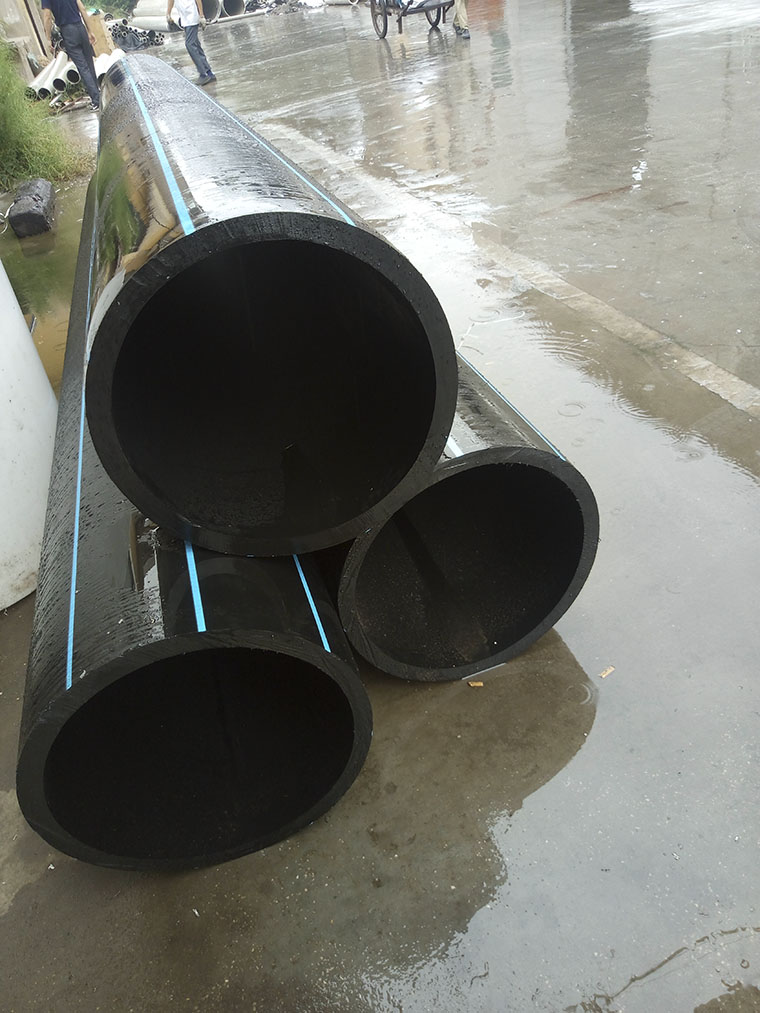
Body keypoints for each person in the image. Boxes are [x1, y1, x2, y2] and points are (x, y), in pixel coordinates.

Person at [41, 0, 101, 109]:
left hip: (68, 31)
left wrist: (48, 38)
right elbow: (82, 9)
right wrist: (90, 31)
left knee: (83, 67)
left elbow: (47, 16)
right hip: (80, 27)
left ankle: (96, 101)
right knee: (89, 64)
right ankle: (98, 95)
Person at [167, 0, 216, 86]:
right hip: (185, 17)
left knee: (189, 44)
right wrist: (168, 13)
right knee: (195, 44)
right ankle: (209, 73)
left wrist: (201, 15)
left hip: (191, 16)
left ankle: (203, 74)